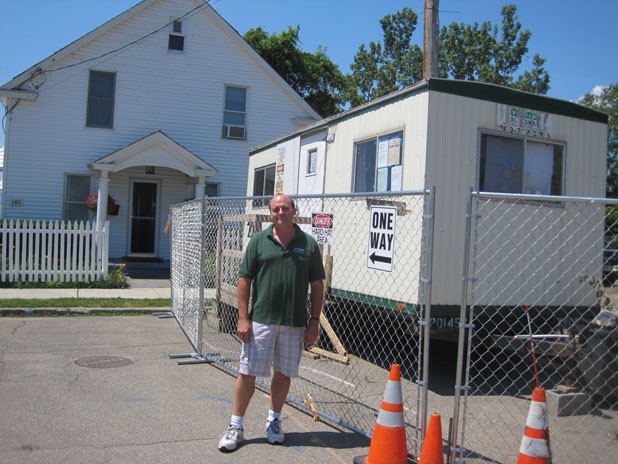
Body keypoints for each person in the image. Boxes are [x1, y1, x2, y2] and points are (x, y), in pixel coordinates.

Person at [218, 193, 326, 452]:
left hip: (294, 323)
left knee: (283, 374)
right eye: (276, 209)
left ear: (293, 211)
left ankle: (274, 422)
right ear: (270, 213)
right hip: (261, 322)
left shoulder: (308, 245)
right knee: (247, 373)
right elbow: (244, 280)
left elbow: (317, 285)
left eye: (285, 208)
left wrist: (313, 322)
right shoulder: (258, 242)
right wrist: (243, 318)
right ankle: (236, 427)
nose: (281, 213)